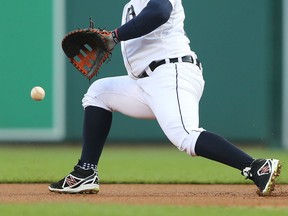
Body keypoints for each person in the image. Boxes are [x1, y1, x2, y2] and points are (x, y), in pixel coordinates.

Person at [49, 0, 281, 196]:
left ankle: (256, 167)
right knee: (98, 93)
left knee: (185, 135)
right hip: (145, 83)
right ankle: (86, 172)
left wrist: (114, 36)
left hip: (171, 73)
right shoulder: (131, 3)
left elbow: (159, 11)